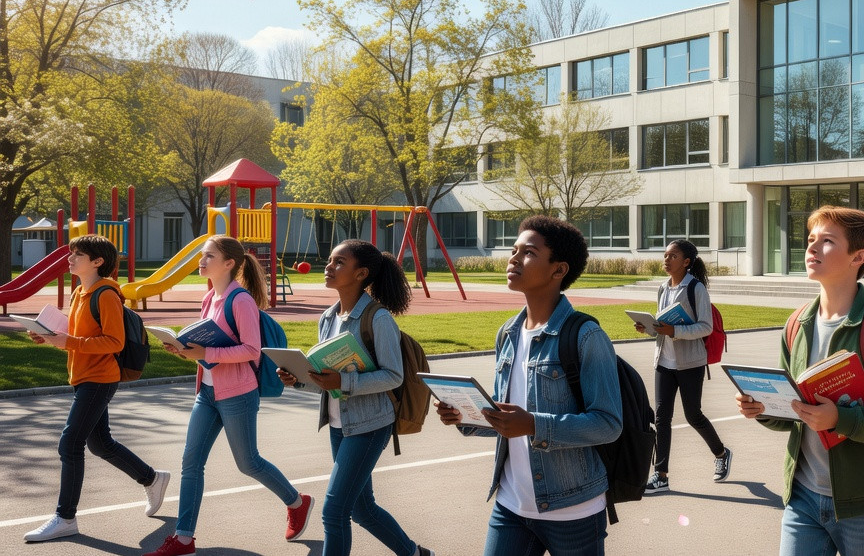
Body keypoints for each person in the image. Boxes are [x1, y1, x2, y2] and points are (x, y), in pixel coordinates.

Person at [735, 206, 864, 556]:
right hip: (802, 496)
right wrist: (763, 408)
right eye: (810, 240)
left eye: (827, 241)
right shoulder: (796, 325)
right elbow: (793, 414)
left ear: (858, 256)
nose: (812, 248)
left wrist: (841, 419)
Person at [436, 216, 621, 556]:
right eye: (514, 249)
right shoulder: (507, 333)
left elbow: (608, 424)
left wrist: (534, 424)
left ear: (558, 270)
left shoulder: (587, 336)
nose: (514, 258)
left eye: (529, 252)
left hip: (573, 508)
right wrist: (466, 417)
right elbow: (508, 420)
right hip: (510, 503)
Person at [144, 236, 313, 556]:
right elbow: (210, 347)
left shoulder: (241, 301)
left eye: (209, 256)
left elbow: (251, 350)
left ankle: (297, 501)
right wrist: (185, 350)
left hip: (238, 394)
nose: (201, 260)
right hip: (207, 392)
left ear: (229, 264)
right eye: (202, 255)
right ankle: (183, 539)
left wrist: (204, 350)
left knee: (248, 463)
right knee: (191, 462)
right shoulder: (210, 298)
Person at [275, 240, 433, 556]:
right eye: (330, 260)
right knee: (361, 509)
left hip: (371, 423)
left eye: (338, 262)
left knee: (334, 511)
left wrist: (343, 381)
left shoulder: (378, 318)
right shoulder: (328, 317)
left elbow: (394, 376)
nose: (328, 267)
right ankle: (414, 553)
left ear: (361, 273)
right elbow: (325, 379)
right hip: (339, 423)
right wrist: (299, 380)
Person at [23, 234, 171, 543]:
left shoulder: (105, 294)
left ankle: (65, 518)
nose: (70, 258)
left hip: (101, 377)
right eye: (71, 253)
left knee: (70, 444)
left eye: (77, 254)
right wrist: (50, 336)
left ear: (97, 261)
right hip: (82, 375)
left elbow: (113, 342)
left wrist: (69, 342)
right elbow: (77, 336)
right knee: (100, 444)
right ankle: (152, 478)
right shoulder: (80, 291)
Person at [636, 239, 731, 493]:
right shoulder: (662, 288)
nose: (666, 260)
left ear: (686, 262)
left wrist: (674, 330)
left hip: (690, 363)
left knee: (693, 415)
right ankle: (661, 475)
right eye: (665, 255)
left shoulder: (696, 289)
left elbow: (705, 327)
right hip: (664, 362)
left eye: (672, 256)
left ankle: (721, 453)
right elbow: (661, 328)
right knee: (661, 418)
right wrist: (648, 328)